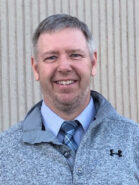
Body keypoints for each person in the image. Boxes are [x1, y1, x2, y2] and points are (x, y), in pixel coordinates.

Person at [0, 14, 138, 185]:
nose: (64, 67)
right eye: (51, 57)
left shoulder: (134, 140)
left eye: (75, 55)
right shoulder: (4, 151)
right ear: (36, 68)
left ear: (93, 63)